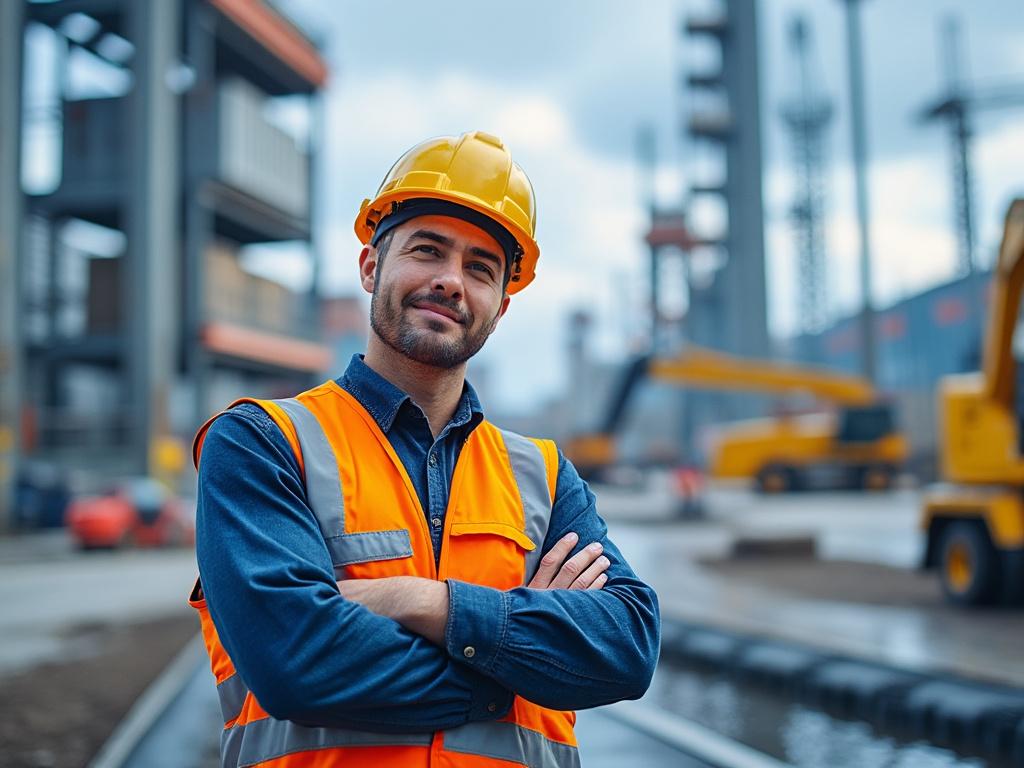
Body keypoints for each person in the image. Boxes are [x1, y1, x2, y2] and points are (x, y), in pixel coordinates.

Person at [191, 131, 660, 767]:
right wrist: (526, 663)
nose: (449, 281)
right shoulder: (263, 443)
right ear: (369, 266)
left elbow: (627, 649)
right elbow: (294, 661)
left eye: (480, 268)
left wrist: (420, 601)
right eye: (427, 250)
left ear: (501, 308)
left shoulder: (545, 477)